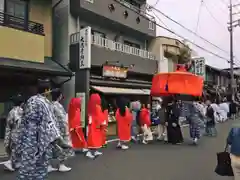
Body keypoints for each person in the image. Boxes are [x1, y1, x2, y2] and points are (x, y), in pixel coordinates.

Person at [13, 79, 70, 180]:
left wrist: (19, 139)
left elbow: (23, 120)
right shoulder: (44, 103)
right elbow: (49, 122)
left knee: (27, 165)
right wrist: (60, 140)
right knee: (39, 167)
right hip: (39, 137)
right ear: (47, 90)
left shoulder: (30, 100)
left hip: (27, 137)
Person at [49, 89, 74, 172]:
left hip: (50, 130)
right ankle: (61, 165)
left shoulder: (48, 105)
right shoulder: (58, 106)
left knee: (50, 147)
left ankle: (48, 165)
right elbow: (62, 120)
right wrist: (66, 132)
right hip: (59, 131)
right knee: (64, 147)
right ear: (59, 96)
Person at [3, 94, 24, 171]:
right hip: (19, 133)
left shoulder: (11, 111)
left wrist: (7, 136)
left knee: (14, 149)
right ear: (21, 103)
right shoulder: (22, 111)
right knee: (17, 149)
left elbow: (9, 124)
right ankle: (10, 163)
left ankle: (15, 163)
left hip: (13, 133)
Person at [86, 93, 106, 159]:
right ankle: (89, 152)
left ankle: (95, 151)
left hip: (92, 125)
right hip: (96, 125)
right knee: (94, 139)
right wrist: (102, 122)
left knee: (92, 139)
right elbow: (100, 116)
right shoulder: (98, 107)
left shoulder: (90, 106)